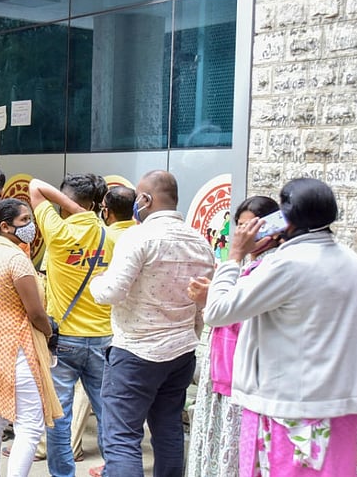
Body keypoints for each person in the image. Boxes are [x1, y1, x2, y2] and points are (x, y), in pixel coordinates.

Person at [204, 178, 357, 477]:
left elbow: (218, 311)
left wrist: (234, 256)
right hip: (340, 407)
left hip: (289, 410)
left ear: (287, 219)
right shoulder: (354, 264)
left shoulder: (286, 265)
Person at [90, 170, 215, 477]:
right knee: (169, 430)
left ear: (145, 199)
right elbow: (202, 304)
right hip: (181, 353)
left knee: (122, 437)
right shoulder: (201, 242)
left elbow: (112, 292)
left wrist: (97, 282)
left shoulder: (139, 237)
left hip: (135, 353)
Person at [0, 198, 61, 477]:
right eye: (25, 221)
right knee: (30, 426)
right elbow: (36, 313)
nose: (31, 226)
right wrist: (50, 331)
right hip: (17, 352)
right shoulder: (17, 259)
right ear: (5, 226)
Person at [185, 196, 279, 477]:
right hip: (221, 371)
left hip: (243, 378)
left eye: (250, 227)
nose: (242, 234)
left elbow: (239, 313)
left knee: (236, 455)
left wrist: (212, 295)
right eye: (239, 226)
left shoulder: (272, 266)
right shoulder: (245, 266)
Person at [28, 174, 111, 477]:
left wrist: (73, 209)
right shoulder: (110, 235)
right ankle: (114, 467)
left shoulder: (58, 231)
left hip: (64, 340)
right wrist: (86, 212)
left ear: (66, 202)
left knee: (59, 416)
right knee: (107, 413)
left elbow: (35, 186)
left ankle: (62, 474)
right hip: (103, 337)